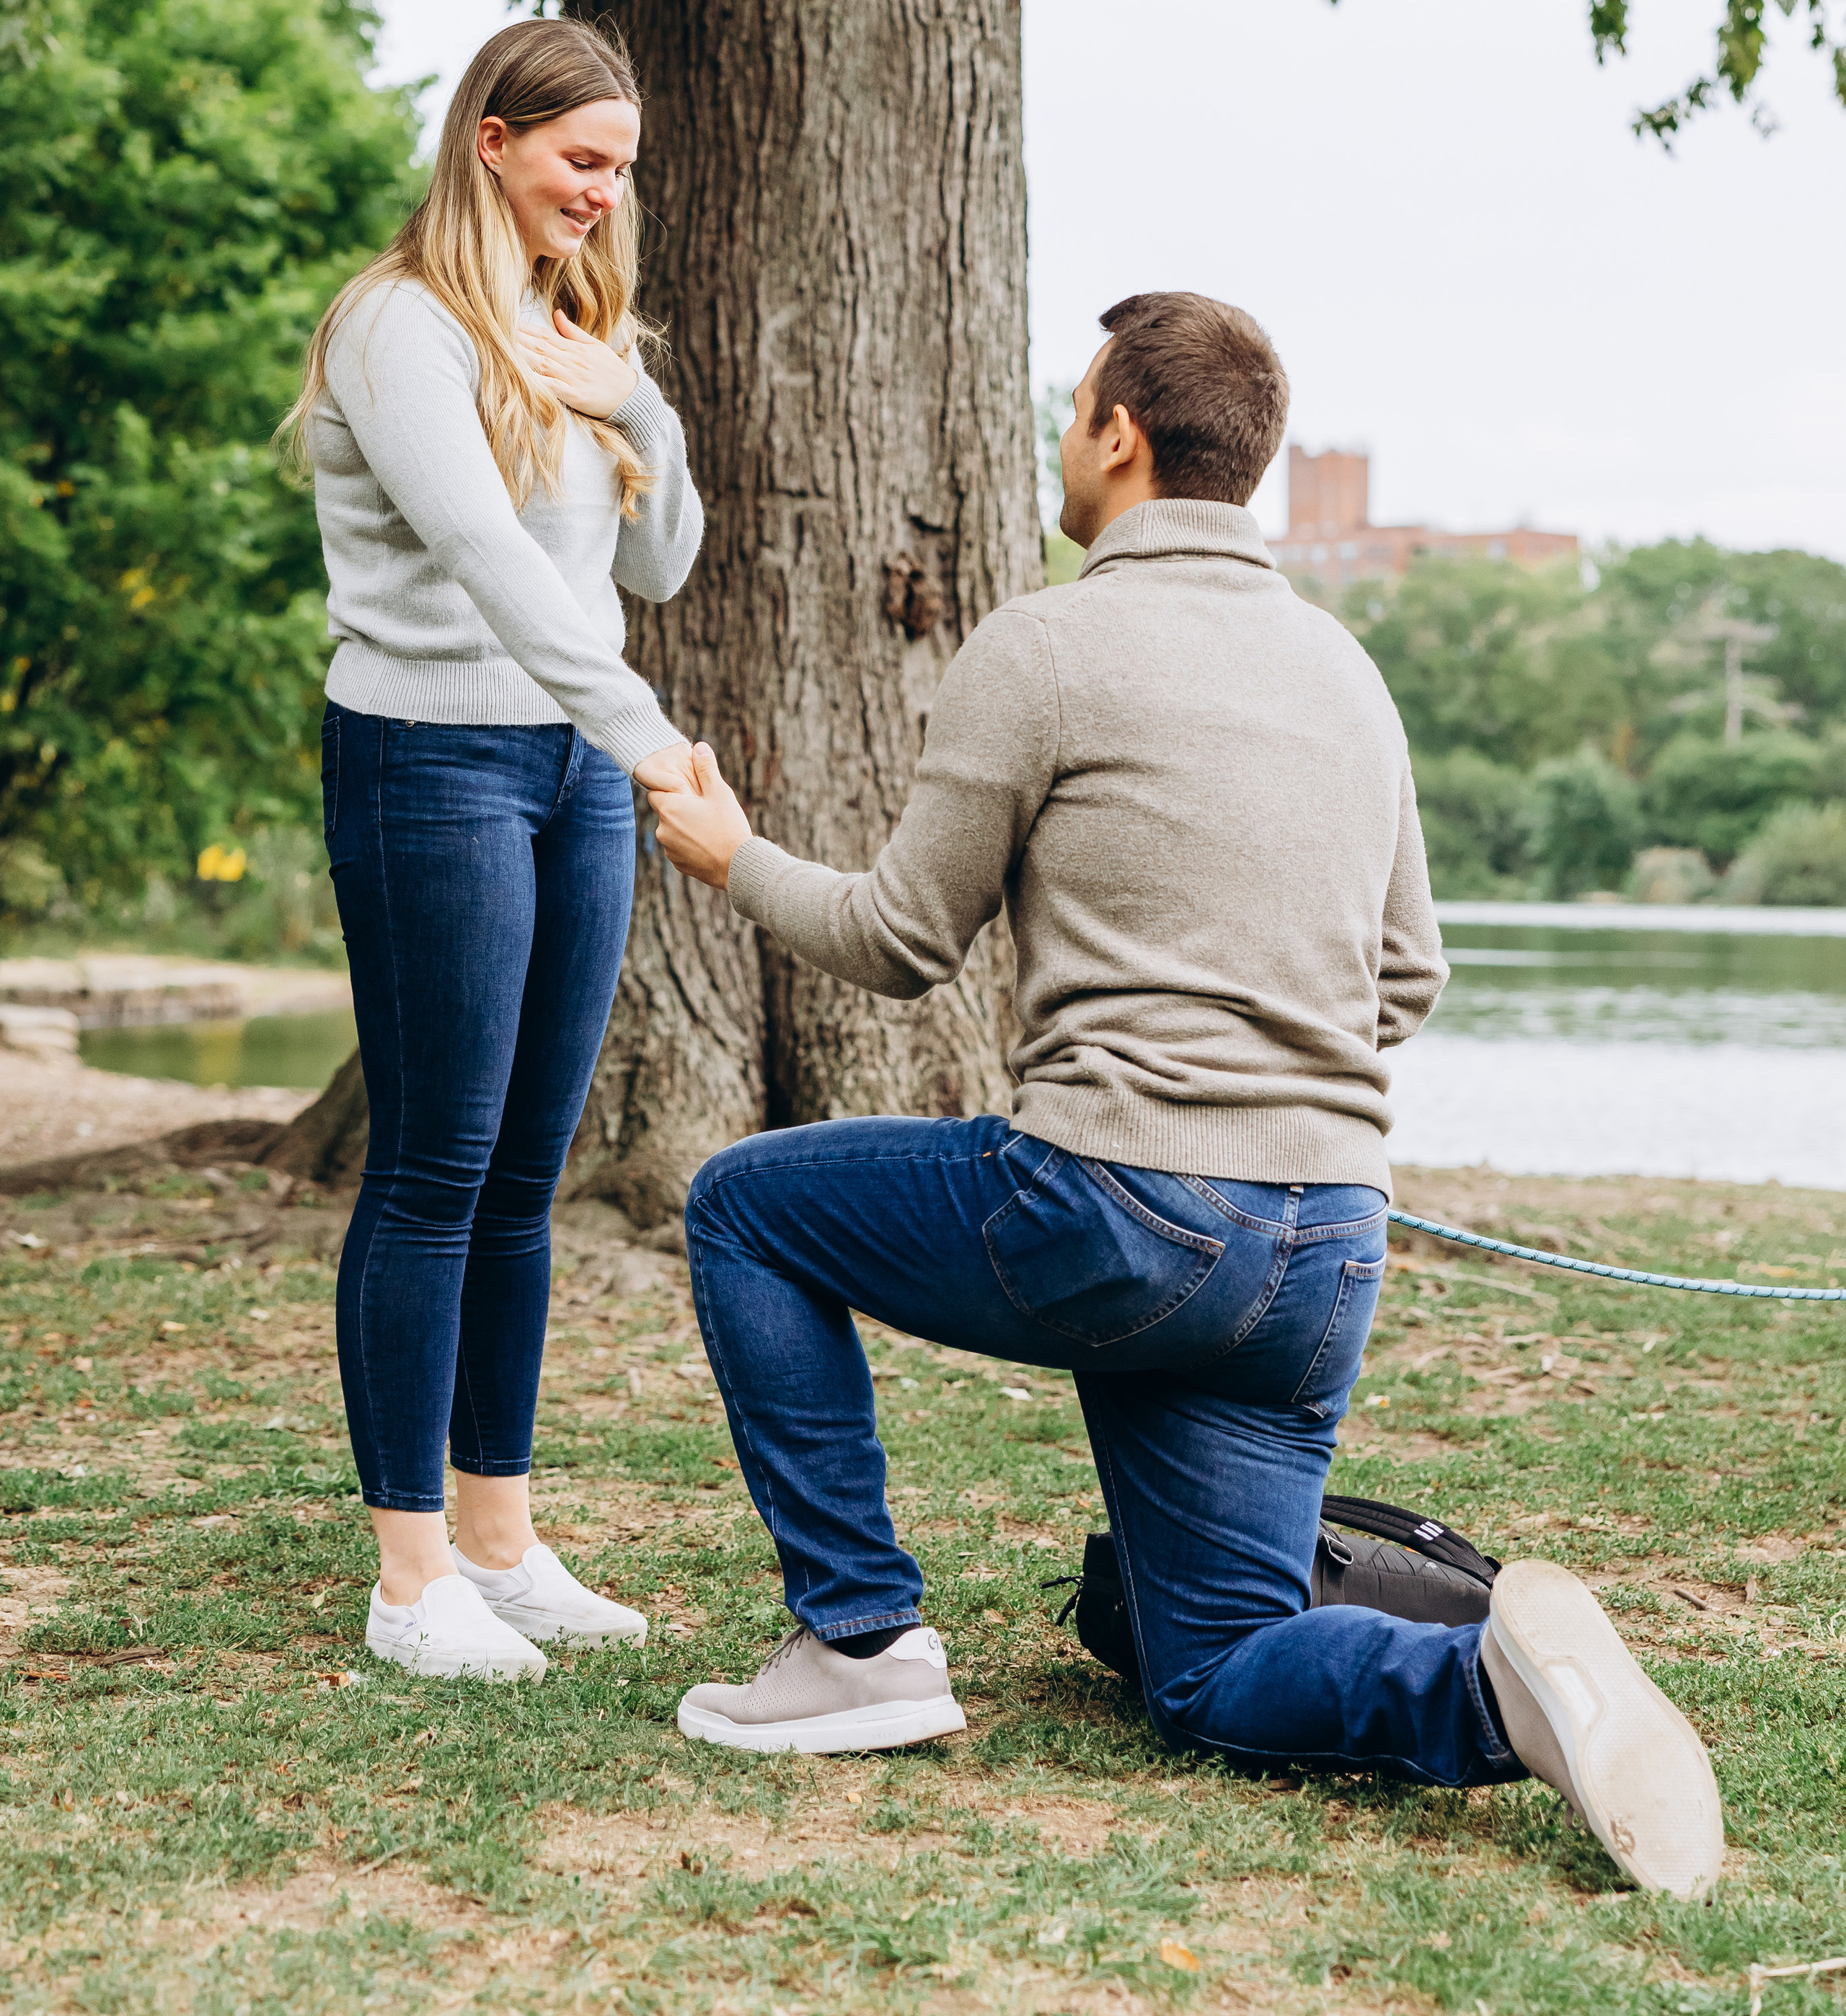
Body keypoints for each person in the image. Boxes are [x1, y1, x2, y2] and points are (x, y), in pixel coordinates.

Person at [644, 292, 1723, 1900]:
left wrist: (732, 856)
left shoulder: (1046, 643)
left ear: (1119, 433)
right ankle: (1496, 1689)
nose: (1060, 433)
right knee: (1214, 1667)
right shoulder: (1344, 669)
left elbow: (894, 939)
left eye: (1073, 404)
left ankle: (857, 1634)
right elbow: (1406, 974)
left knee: (745, 1204)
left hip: (1123, 1211)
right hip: (1324, 1252)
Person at [284, 16, 704, 1682]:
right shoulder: (401, 328)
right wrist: (649, 736)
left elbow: (654, 564)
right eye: (578, 158)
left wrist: (642, 402)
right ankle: (409, 1580)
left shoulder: (571, 329)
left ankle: (500, 1541)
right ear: (493, 143)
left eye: (619, 167)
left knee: (527, 1170)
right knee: (434, 1165)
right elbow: (484, 558)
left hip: (561, 772)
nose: (603, 192)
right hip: (426, 760)